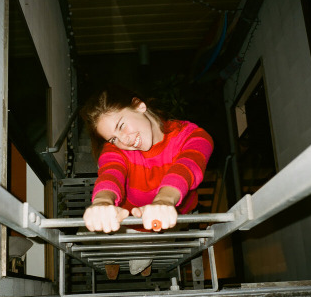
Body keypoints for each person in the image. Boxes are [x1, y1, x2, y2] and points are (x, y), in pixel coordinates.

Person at [80, 84, 214, 278]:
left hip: (168, 215)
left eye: (121, 126)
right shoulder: (117, 150)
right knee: (111, 240)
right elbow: (110, 173)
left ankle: (143, 258)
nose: (124, 141)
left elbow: (186, 167)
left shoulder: (192, 136)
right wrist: (102, 202)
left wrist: (164, 200)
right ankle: (112, 257)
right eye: (113, 138)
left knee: (146, 256)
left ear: (139, 106)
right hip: (127, 215)